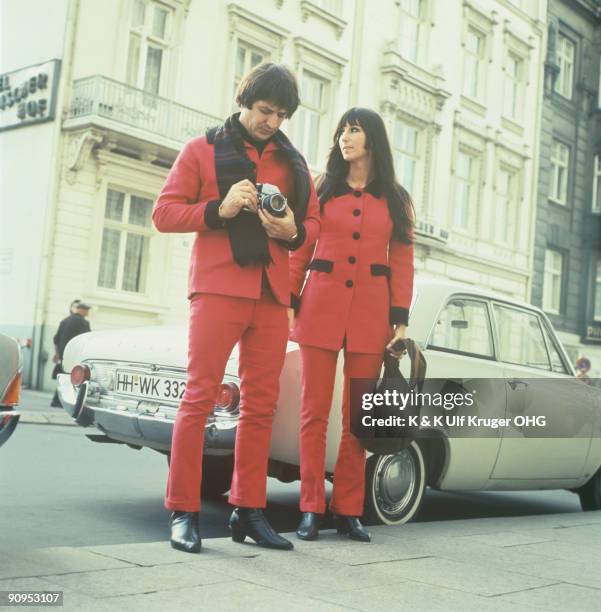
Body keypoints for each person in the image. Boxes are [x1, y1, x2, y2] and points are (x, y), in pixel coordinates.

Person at [153, 63, 320, 554]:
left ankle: (248, 509)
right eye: (266, 110)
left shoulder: (294, 164)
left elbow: (310, 223)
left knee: (261, 406)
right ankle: (183, 511)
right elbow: (163, 213)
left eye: (282, 114)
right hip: (218, 287)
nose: (272, 121)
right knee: (199, 397)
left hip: (271, 294)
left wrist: (290, 228)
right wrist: (218, 210)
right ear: (244, 99)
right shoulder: (201, 148)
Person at [289, 107, 415, 542]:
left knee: (358, 418)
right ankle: (309, 507)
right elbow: (300, 248)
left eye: (355, 130)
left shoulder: (396, 199)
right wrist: (290, 299)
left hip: (370, 317)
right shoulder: (321, 188)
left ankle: (347, 509)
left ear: (372, 140)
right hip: (319, 309)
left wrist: (400, 321)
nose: (346, 137)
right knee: (313, 413)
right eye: (342, 129)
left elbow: (402, 262)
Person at [50, 300, 91, 407]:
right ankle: (58, 401)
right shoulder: (83, 323)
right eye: (87, 310)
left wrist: (57, 353)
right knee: (71, 377)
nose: (87, 313)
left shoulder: (65, 320)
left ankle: (56, 401)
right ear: (82, 310)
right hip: (75, 354)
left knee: (65, 376)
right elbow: (86, 340)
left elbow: (56, 339)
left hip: (63, 354)